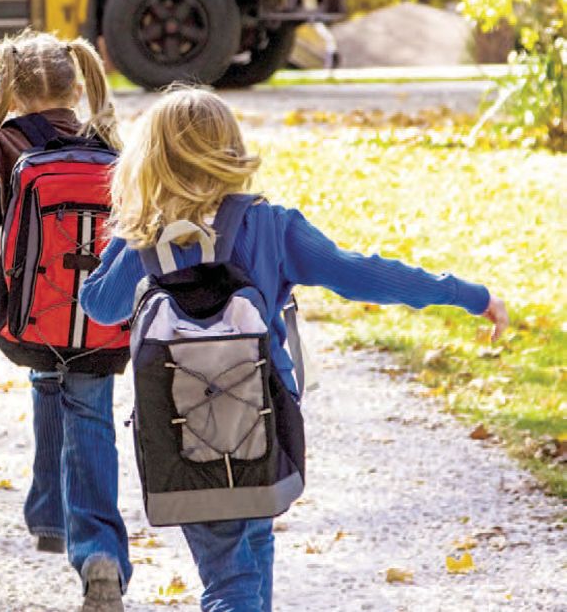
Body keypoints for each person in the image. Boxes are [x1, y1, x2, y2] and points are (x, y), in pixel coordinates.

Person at [79, 87, 508, 612]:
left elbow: (99, 305)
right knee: (253, 550)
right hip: (265, 423)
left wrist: (126, 228)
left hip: (181, 436)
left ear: (148, 161)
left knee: (229, 576)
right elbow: (364, 275)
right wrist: (467, 295)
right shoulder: (271, 226)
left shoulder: (145, 240)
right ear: (231, 151)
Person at [0, 30, 132, 612]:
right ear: (76, 85)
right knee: (89, 414)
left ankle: (55, 521)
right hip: (102, 318)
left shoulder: (3, 139)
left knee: (46, 382)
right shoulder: (105, 141)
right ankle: (97, 549)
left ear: (10, 91)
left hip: (34, 315)